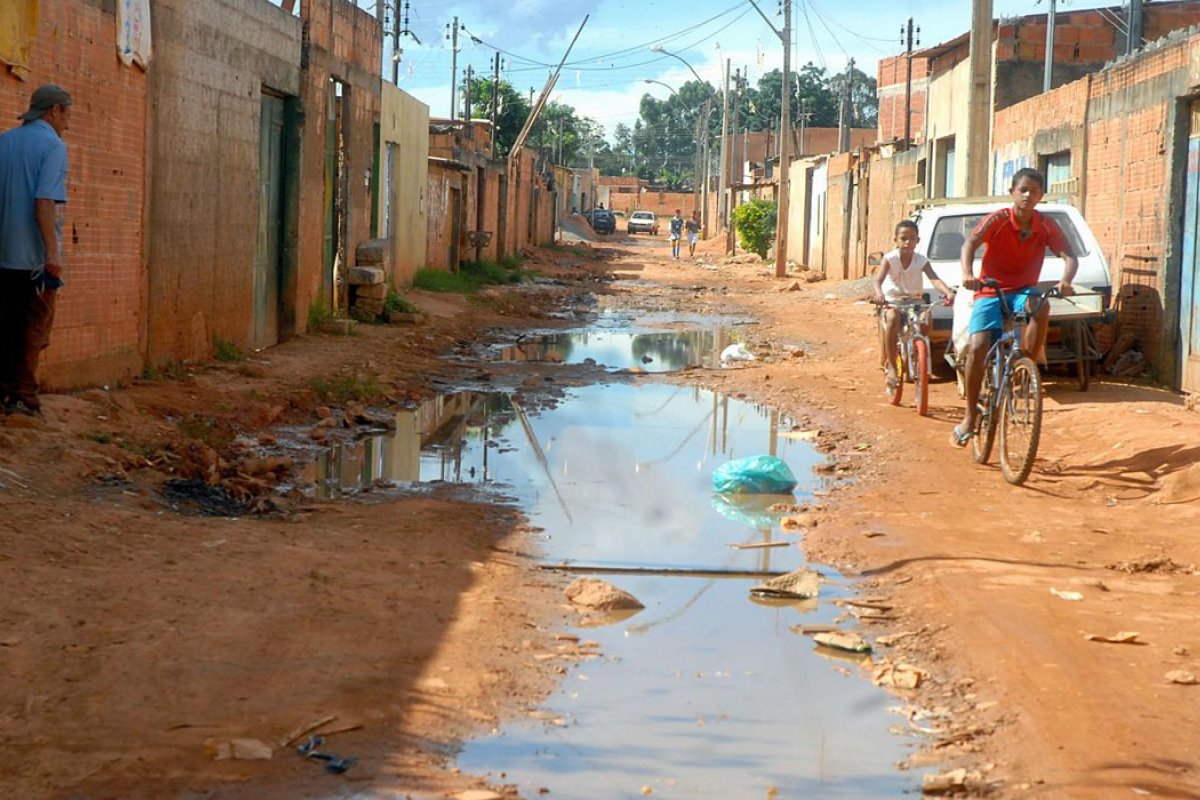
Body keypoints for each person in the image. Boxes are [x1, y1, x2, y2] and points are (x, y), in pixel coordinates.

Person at [950, 167, 1078, 447]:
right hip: (990, 289)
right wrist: (967, 273)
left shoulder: (1046, 225)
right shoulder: (997, 219)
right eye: (1023, 189)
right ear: (1013, 192)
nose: (1028, 195)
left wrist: (1066, 280)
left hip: (1023, 291)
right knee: (978, 346)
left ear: (1041, 196)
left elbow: (1070, 257)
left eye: (1034, 191)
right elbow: (970, 243)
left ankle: (1025, 364)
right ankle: (970, 415)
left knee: (1041, 306)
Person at [0, 84, 72, 417]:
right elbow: (44, 201)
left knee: (7, 326)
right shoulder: (53, 146)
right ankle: (24, 398)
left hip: (4, 256)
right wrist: (52, 253)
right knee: (34, 328)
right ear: (53, 111)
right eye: (66, 113)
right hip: (33, 260)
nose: (68, 122)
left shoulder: (6, 141)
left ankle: (5, 393)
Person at [872, 219, 955, 391]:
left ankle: (918, 356)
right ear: (895, 240)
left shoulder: (921, 260)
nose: (907, 242)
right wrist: (879, 294)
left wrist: (947, 292)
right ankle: (893, 368)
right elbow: (877, 280)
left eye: (912, 238)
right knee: (893, 318)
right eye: (903, 238)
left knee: (925, 319)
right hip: (892, 301)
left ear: (918, 240)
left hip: (914, 300)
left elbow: (934, 278)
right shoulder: (890, 259)